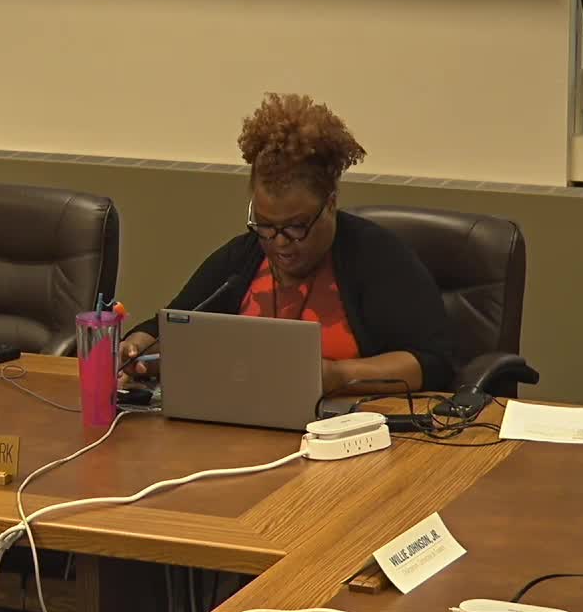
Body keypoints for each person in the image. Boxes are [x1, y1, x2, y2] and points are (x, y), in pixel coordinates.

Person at [119, 93, 455, 396]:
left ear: (331, 204)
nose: (280, 243)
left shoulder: (376, 257)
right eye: (265, 225)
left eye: (296, 227)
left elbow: (433, 363)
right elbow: (169, 328)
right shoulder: (242, 259)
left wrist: (338, 375)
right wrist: (137, 348)